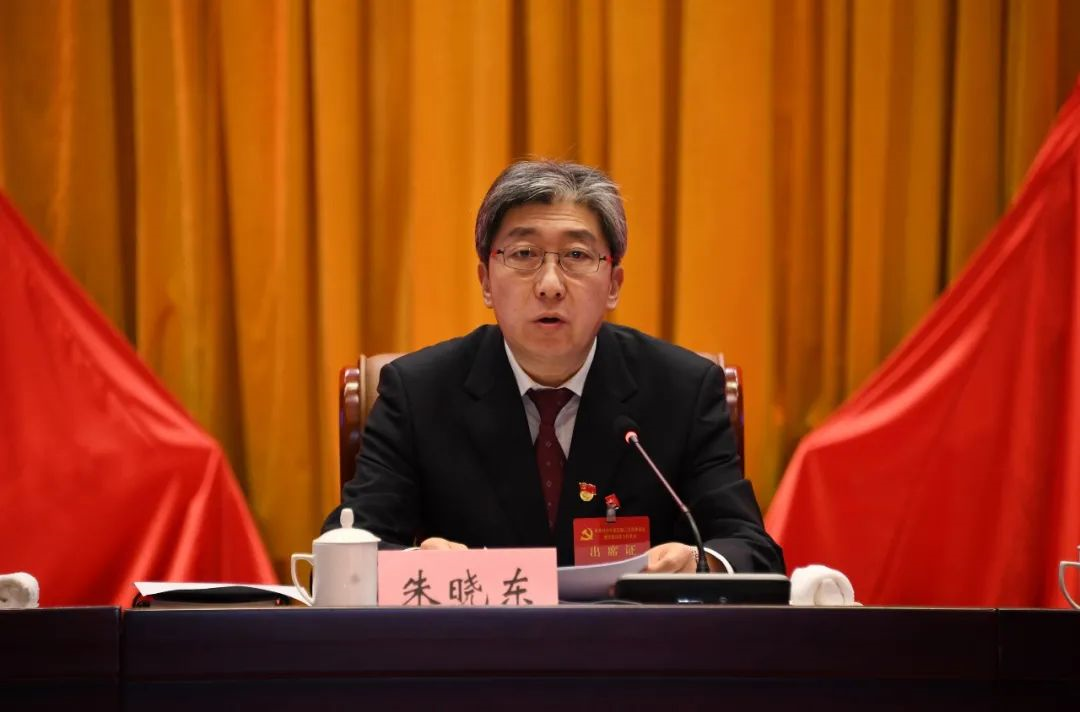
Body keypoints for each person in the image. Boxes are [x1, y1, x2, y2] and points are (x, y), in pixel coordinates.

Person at [323, 159, 783, 574]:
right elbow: (348, 548)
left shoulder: (682, 390)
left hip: (631, 639)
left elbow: (750, 549)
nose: (549, 285)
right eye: (524, 254)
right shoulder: (419, 393)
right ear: (486, 282)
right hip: (476, 638)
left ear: (614, 284)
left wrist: (702, 563)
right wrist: (416, 563)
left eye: (577, 256)